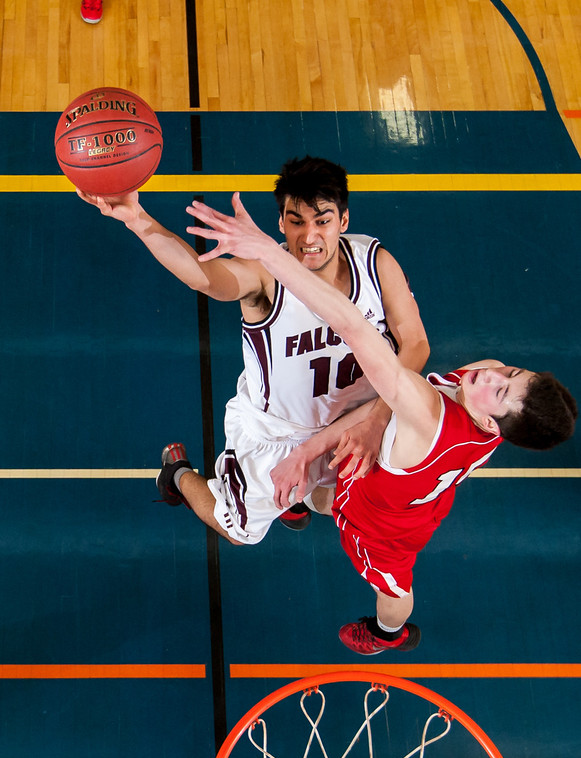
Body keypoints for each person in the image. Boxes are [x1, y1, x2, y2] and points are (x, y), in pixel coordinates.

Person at [184, 192, 577, 653]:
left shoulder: (427, 412)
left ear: (494, 426)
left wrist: (270, 252)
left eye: (501, 390)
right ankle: (301, 498)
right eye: (512, 372)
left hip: (383, 522)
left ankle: (388, 633)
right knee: (327, 481)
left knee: (393, 586)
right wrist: (312, 451)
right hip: (424, 487)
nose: (492, 374)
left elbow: (351, 325)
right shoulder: (492, 413)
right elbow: (375, 413)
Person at [77, 156, 430, 544]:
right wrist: (136, 218)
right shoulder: (265, 276)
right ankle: (177, 473)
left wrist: (376, 419)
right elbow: (204, 277)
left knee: (347, 502)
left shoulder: (375, 263)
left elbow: (415, 343)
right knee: (237, 534)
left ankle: (303, 494)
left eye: (322, 221)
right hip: (278, 433)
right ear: (280, 223)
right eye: (296, 221)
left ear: (344, 220)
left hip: (357, 420)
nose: (309, 237)